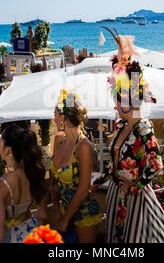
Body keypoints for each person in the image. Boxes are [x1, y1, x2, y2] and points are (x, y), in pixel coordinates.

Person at [93, 27, 164, 243]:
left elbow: (156, 165)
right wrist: (96, 183)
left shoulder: (142, 127)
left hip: (136, 202)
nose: (114, 103)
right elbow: (114, 165)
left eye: (117, 99)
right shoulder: (121, 125)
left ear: (129, 101)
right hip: (117, 199)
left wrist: (133, 187)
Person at [50, 89, 102, 243]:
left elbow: (83, 189)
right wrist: (56, 209)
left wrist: (65, 219)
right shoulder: (59, 140)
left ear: (63, 117)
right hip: (63, 211)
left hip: (84, 215)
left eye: (55, 114)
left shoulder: (83, 147)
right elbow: (53, 183)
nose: (53, 119)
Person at [0, 124, 48, 243]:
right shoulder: (34, 173)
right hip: (33, 233)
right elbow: (42, 214)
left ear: (8, 150)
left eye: (0, 142)